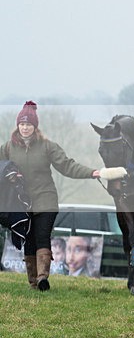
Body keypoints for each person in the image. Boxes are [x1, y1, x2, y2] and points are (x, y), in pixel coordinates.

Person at [0, 101, 100, 291]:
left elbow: (67, 165)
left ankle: (42, 277)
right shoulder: (8, 148)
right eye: (22, 124)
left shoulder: (48, 146)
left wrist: (92, 172)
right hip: (22, 203)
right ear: (17, 125)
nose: (25, 128)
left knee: (42, 235)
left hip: (45, 199)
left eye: (28, 124)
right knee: (29, 239)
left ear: (35, 126)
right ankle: (33, 282)